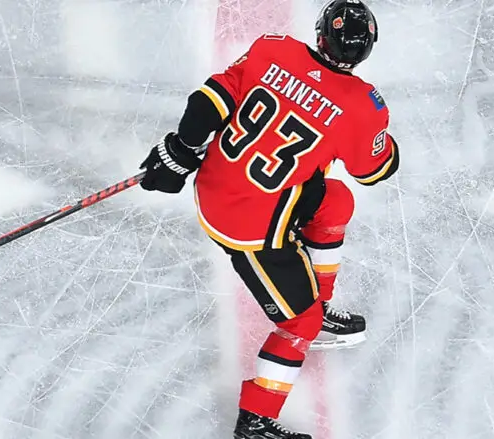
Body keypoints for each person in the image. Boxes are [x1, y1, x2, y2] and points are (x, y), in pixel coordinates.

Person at [136, 1, 398, 437]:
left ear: (319, 34)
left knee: (334, 199)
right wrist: (382, 143)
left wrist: (182, 150)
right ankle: (255, 421)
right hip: (250, 228)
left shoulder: (271, 50)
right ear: (367, 48)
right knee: (299, 323)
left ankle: (318, 300)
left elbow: (210, 100)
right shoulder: (363, 106)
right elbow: (374, 169)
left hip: (218, 185)